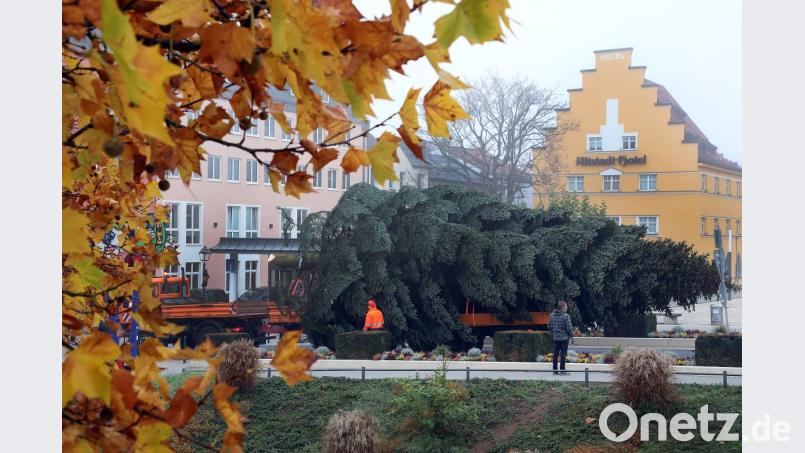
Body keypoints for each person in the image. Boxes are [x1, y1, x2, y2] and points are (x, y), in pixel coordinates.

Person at [548, 301, 574, 375]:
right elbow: (569, 328)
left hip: (555, 338)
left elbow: (549, 326)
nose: (567, 308)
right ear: (562, 307)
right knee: (563, 354)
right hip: (564, 338)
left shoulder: (551, 315)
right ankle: (562, 370)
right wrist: (570, 335)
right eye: (566, 306)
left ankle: (555, 370)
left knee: (555, 354)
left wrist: (554, 332)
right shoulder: (566, 316)